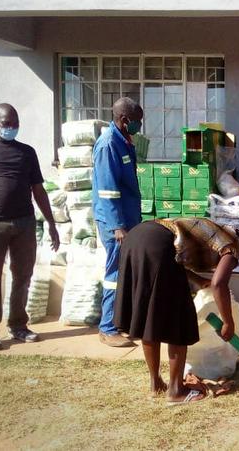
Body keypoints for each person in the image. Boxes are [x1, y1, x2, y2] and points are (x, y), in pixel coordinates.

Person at [115, 217, 239, 405]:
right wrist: (228, 322)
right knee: (180, 322)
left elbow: (173, 262)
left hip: (136, 237)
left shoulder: (208, 232)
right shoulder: (232, 244)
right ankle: (176, 391)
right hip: (158, 244)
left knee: (149, 316)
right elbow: (219, 283)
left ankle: (156, 385)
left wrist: (198, 279)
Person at [0, 103, 60, 351]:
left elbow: (38, 190)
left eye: (15, 123)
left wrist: (51, 223)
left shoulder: (27, 152)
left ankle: (18, 325)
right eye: (7, 124)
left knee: (23, 277)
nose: (11, 128)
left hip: (25, 223)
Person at [92, 97, 143, 348]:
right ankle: (107, 328)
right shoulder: (108, 144)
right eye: (137, 121)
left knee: (126, 272)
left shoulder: (124, 141)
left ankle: (121, 321)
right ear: (124, 120)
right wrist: (117, 226)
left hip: (128, 219)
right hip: (116, 224)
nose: (139, 126)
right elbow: (107, 191)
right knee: (114, 273)